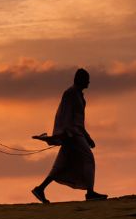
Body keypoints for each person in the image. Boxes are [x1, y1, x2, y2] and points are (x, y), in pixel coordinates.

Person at [32, 68, 107, 203]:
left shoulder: (80, 96)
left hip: (76, 134)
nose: (89, 82)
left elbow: (80, 121)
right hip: (72, 134)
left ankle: (40, 189)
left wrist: (87, 136)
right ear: (80, 79)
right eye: (86, 79)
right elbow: (64, 115)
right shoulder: (70, 93)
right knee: (88, 158)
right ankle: (90, 193)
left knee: (61, 164)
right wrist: (67, 133)